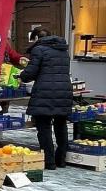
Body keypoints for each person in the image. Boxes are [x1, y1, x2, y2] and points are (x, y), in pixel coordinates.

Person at [18, 27, 72, 169]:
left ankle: (49, 162)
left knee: (44, 127)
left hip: (44, 93)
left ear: (36, 38)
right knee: (61, 125)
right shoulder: (63, 50)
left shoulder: (39, 50)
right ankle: (61, 159)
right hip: (64, 92)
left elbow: (31, 73)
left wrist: (21, 76)